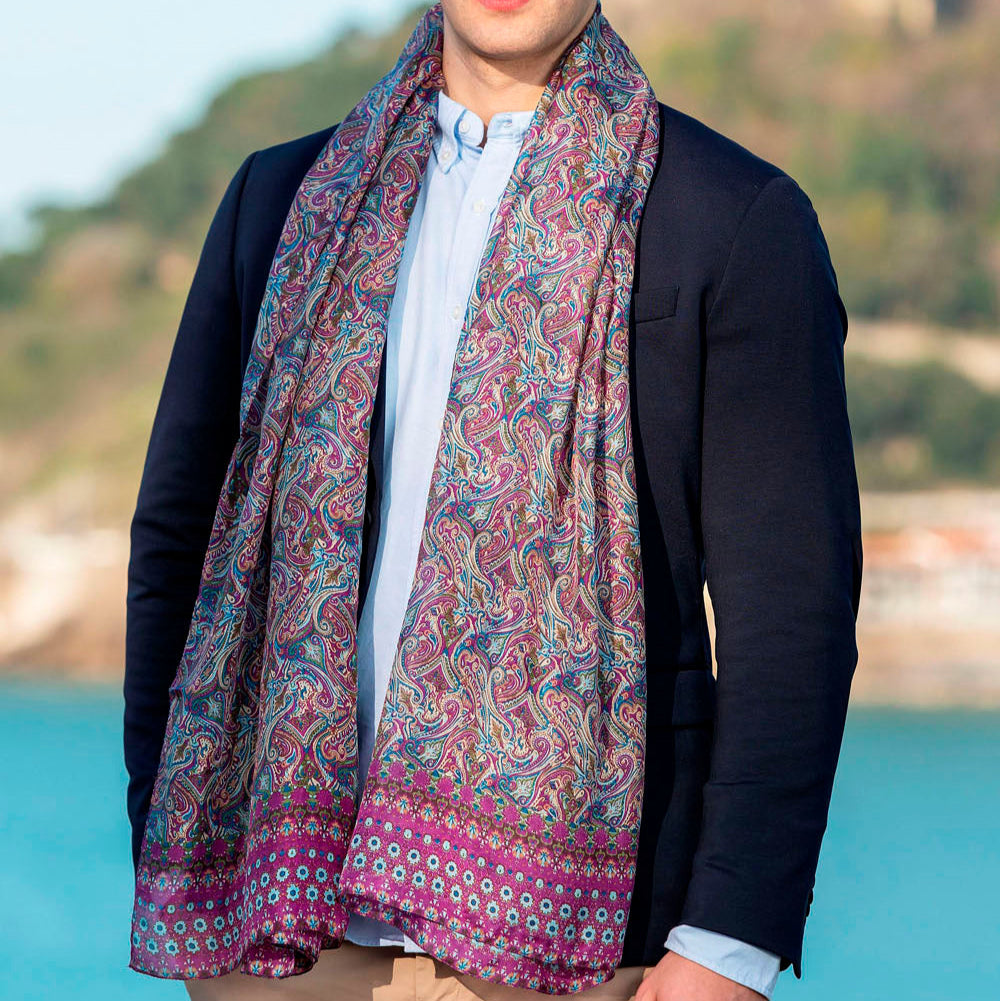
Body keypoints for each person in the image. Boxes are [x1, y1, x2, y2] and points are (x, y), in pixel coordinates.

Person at [122, 2, 863, 1000]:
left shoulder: (727, 216)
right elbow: (180, 537)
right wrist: (165, 832)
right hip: (284, 936)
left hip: (584, 942)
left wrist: (727, 945)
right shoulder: (284, 199)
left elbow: (792, 613)